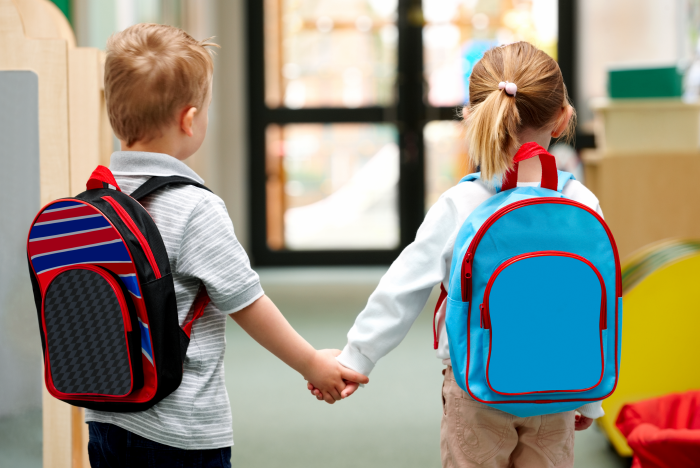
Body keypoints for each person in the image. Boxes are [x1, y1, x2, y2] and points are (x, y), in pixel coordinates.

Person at [85, 23, 368, 468]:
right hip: (180, 430)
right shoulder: (193, 207)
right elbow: (246, 301)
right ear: (190, 119)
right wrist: (312, 362)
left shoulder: (98, 199)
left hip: (104, 417)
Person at [310, 42, 604, 468]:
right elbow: (591, 307)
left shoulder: (460, 205)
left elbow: (402, 289)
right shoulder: (583, 204)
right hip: (554, 388)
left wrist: (355, 357)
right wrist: (590, 398)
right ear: (562, 118)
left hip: (476, 386)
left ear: (472, 115)